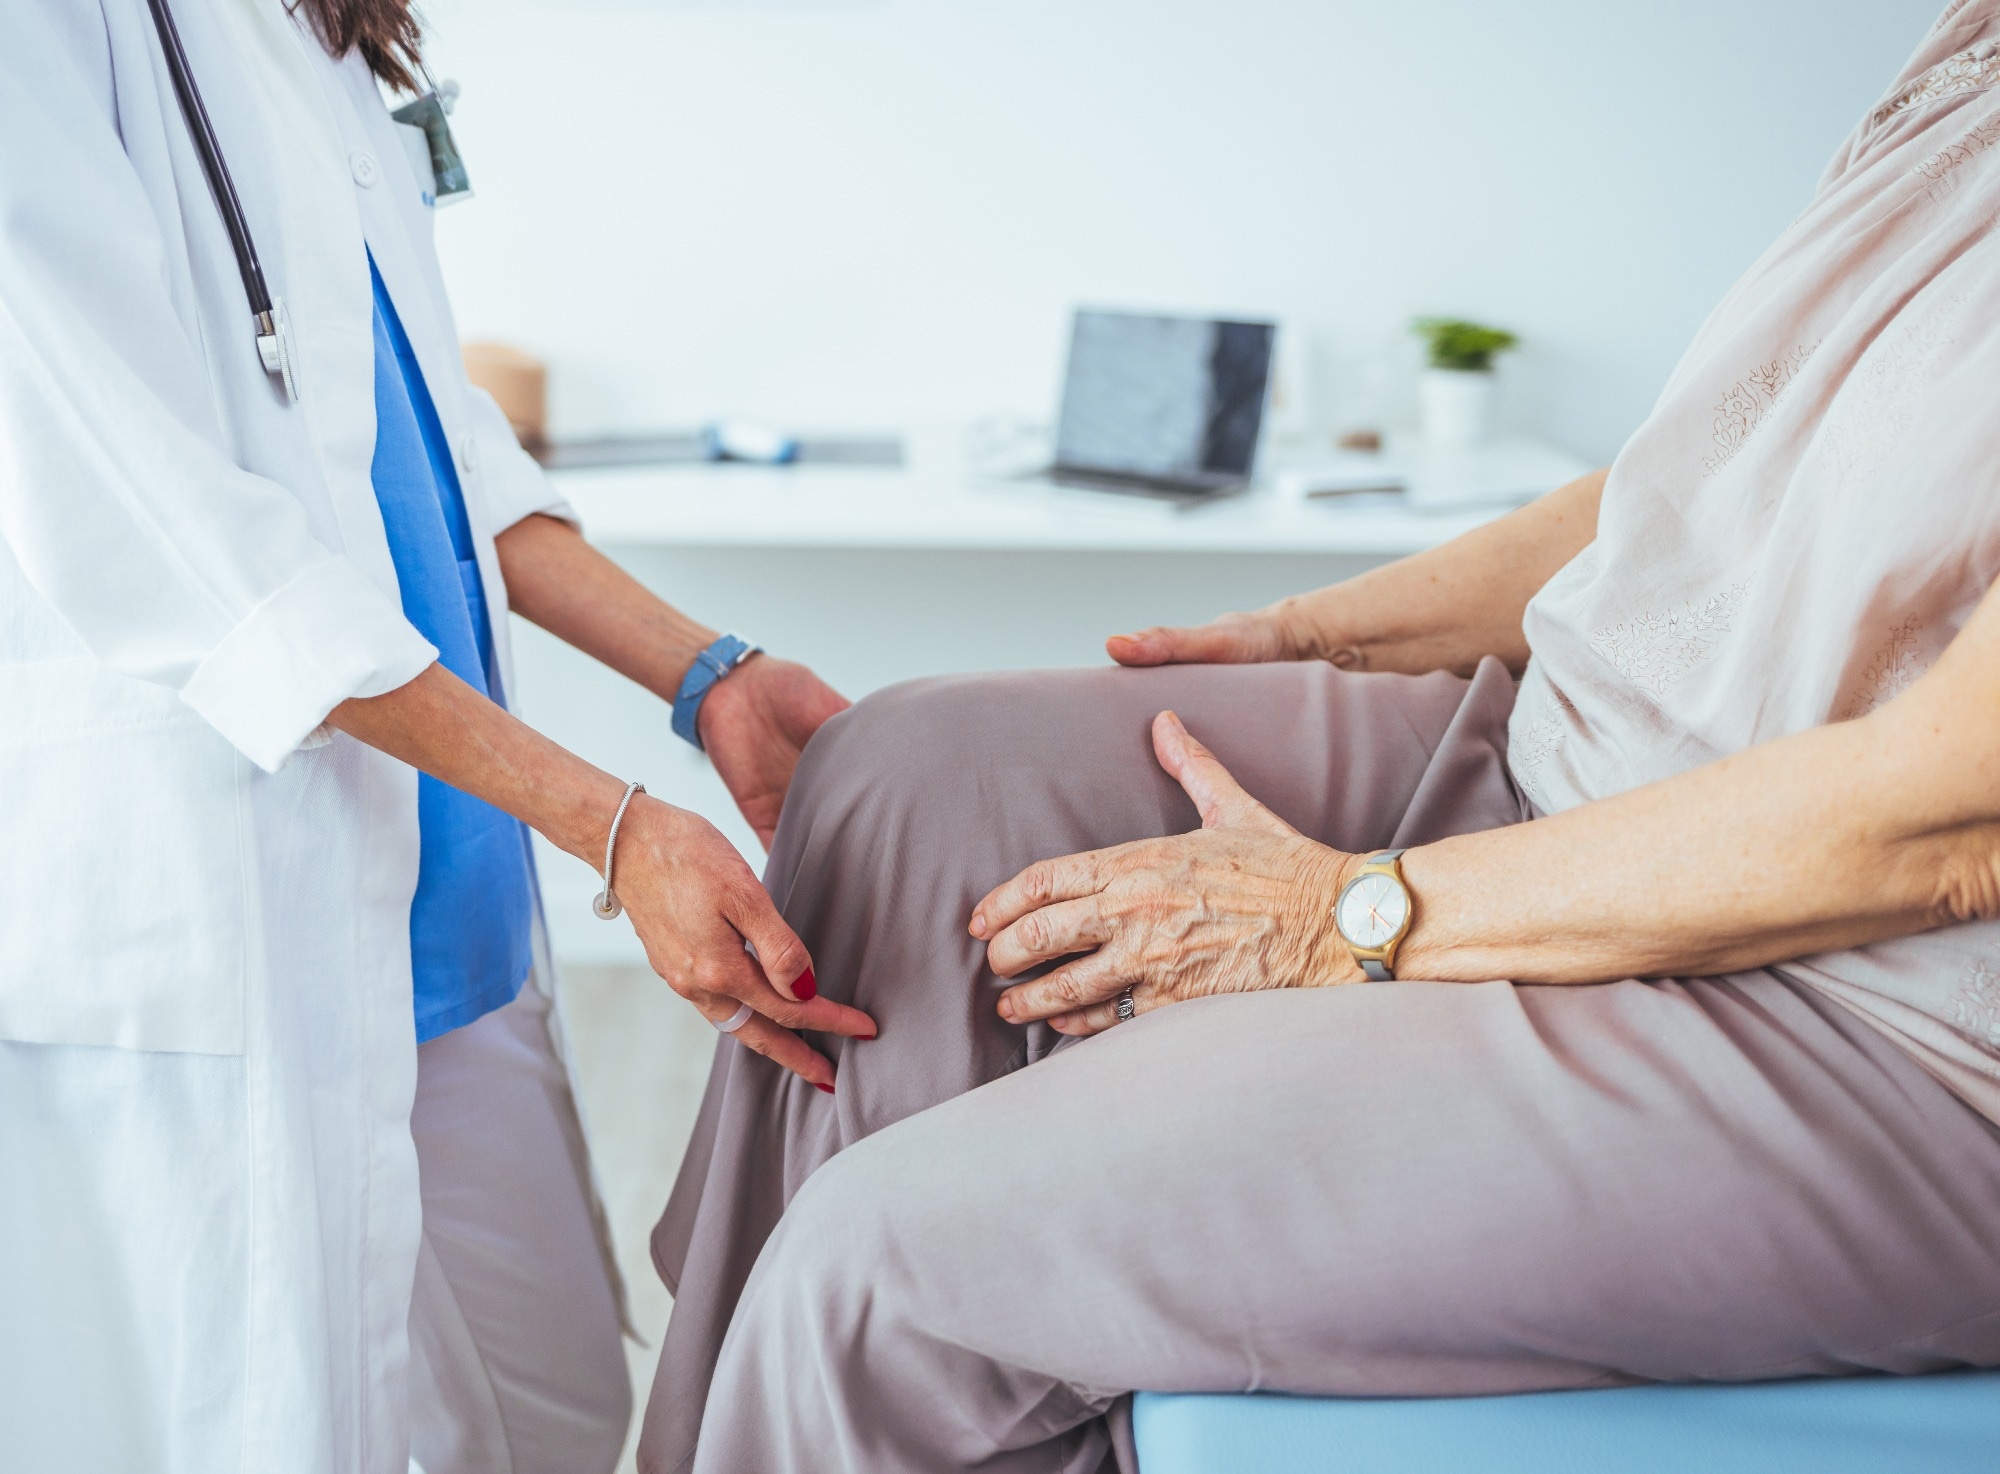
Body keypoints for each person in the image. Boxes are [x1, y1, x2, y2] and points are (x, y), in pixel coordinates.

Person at [639, 5, 2000, 1471]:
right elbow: (1701, 474)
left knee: (884, 1269)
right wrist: (1311, 634)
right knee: (901, 786)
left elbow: (1940, 819)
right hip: (1566, 764)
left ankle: (878, 1361)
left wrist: (1347, 913)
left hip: (1879, 1019)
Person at [0, 3, 874, 1472]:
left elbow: (437, 439)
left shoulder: (309, 28)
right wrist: (607, 819)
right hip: (237, 905)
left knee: (559, 1415)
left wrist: (709, 675)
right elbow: (186, 535)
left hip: (447, 903)